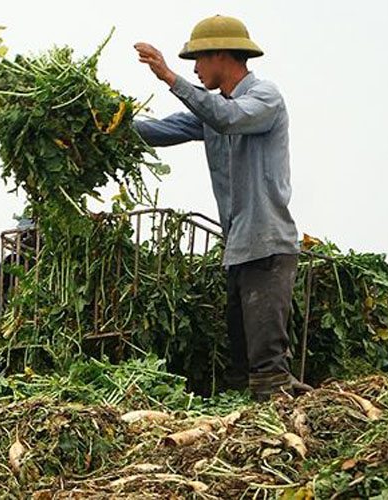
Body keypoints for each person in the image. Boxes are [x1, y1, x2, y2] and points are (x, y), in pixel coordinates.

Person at [133, 15, 311, 401]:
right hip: (238, 249)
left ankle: (281, 435)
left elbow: (228, 119)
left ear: (220, 55)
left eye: (197, 60)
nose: (194, 69)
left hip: (268, 247)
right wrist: (100, 123)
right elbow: (160, 130)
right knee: (240, 362)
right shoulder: (213, 111)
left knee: (266, 366)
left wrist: (169, 77)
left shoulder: (265, 99)